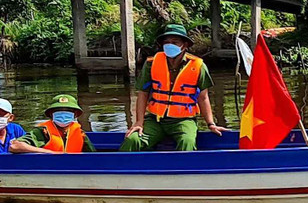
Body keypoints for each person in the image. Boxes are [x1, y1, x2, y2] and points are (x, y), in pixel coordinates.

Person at [120, 24, 225, 152]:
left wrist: (211, 124)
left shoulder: (198, 65)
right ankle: (122, 170)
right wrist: (139, 122)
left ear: (185, 45)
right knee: (132, 139)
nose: (170, 45)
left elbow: (203, 98)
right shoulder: (151, 63)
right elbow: (143, 93)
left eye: (175, 42)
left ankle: (184, 171)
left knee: (187, 142)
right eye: (167, 42)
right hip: (155, 119)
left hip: (183, 120)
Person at [25, 94, 97, 152]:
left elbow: (94, 157)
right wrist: (46, 152)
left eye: (68, 111)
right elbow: (15, 146)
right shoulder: (42, 132)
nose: (63, 114)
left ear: (75, 114)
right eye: (58, 111)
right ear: (51, 114)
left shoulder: (80, 134)